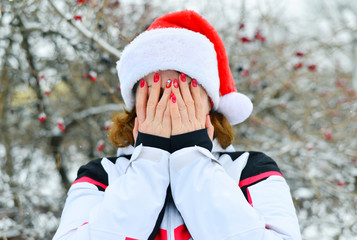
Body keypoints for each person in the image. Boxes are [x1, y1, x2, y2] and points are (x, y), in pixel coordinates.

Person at [53, 10, 302, 240]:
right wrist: (149, 160)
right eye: (156, 94)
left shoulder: (251, 171)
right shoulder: (102, 176)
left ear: (210, 103)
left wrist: (193, 159)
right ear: (135, 105)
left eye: (185, 94)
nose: (170, 106)